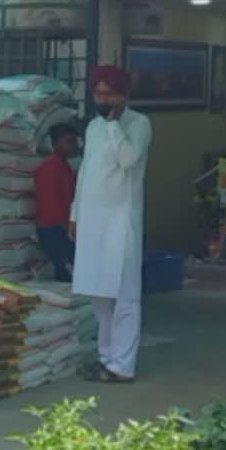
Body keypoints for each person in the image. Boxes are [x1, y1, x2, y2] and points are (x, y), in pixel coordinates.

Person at [71, 65, 152, 383]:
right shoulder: (92, 128)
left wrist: (115, 124)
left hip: (121, 222)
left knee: (125, 295)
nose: (102, 99)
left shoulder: (139, 124)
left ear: (123, 96)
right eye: (98, 93)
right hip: (92, 222)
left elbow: (129, 160)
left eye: (109, 94)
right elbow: (85, 173)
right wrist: (74, 214)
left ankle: (123, 365)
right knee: (99, 294)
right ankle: (106, 358)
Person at [35, 123, 79, 282]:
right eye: (69, 142)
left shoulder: (64, 167)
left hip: (63, 228)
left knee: (68, 271)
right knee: (68, 271)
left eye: (75, 141)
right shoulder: (49, 168)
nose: (74, 146)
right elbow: (51, 204)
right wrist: (68, 227)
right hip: (54, 229)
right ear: (55, 144)